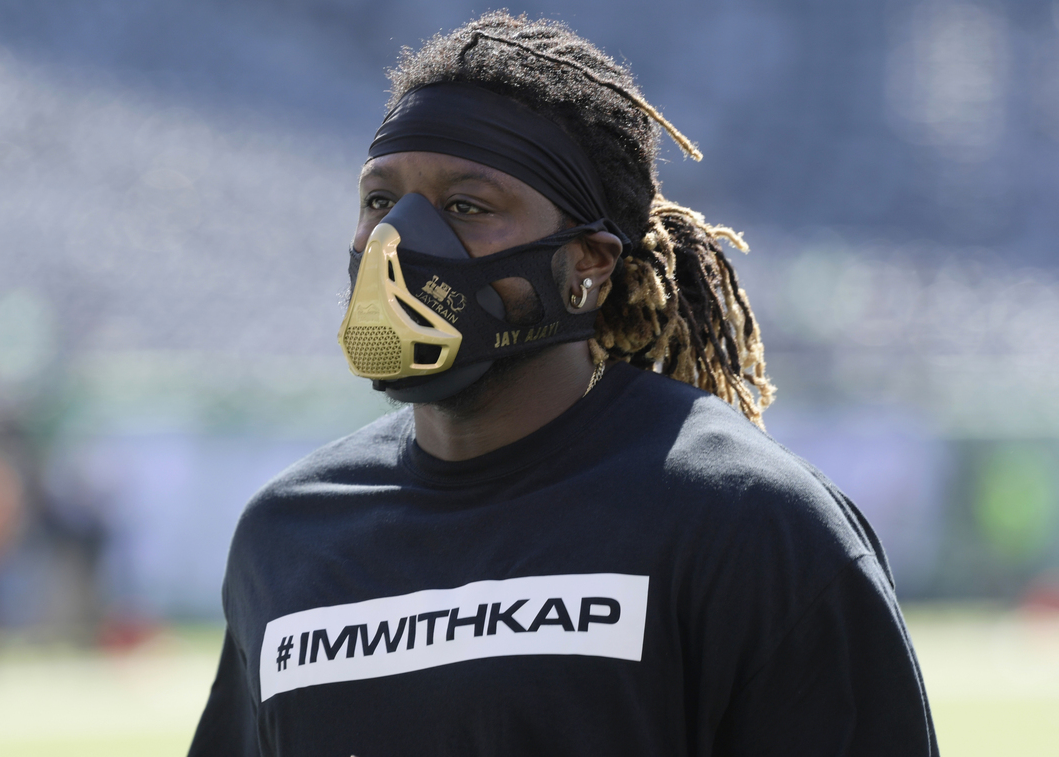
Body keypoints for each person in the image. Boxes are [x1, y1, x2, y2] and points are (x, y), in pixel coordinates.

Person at [189, 12, 938, 756]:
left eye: (466, 207)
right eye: (379, 202)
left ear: (588, 263)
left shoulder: (746, 520)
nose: (395, 244)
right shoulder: (286, 535)